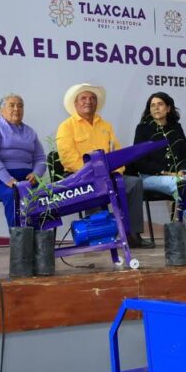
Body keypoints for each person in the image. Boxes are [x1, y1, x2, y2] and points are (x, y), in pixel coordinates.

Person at [55, 83, 153, 248]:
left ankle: (132, 235)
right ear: (75, 103)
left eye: (92, 98)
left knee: (134, 183)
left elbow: (117, 153)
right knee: (96, 187)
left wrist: (114, 171)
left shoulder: (106, 126)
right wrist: (94, 173)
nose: (88, 101)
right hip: (79, 177)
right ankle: (99, 237)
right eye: (83, 98)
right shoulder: (66, 126)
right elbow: (68, 159)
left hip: (108, 174)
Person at [0, 93, 47, 228]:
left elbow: (41, 158)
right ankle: (20, 238)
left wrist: (36, 174)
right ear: (1, 110)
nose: (16, 109)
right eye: (11, 105)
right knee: (13, 195)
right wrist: (8, 179)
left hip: (24, 179)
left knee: (45, 195)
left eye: (20, 106)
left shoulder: (30, 132)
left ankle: (40, 237)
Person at [131, 92, 186, 203]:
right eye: (152, 105)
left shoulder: (176, 128)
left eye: (160, 104)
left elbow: (184, 156)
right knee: (178, 184)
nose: (156, 108)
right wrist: (166, 173)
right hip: (150, 177)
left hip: (177, 176)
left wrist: (183, 171)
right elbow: (139, 162)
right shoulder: (142, 129)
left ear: (168, 108)